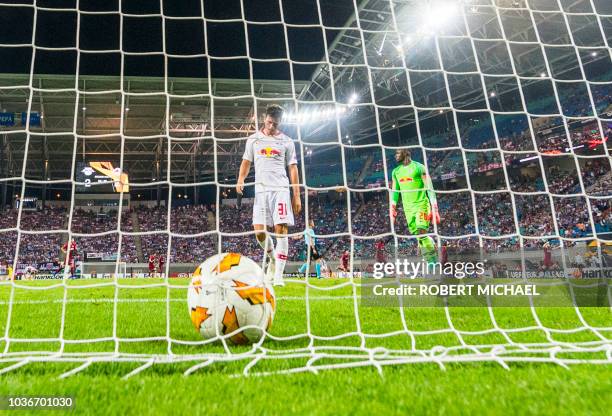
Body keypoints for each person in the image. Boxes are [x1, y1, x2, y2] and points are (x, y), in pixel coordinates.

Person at [236, 104, 301, 286]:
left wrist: (297, 195)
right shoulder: (253, 139)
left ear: (280, 122)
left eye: (276, 124)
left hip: (280, 189)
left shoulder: (287, 141)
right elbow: (246, 162)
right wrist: (241, 179)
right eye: (270, 122)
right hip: (261, 190)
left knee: (281, 230)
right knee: (259, 232)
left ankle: (279, 276)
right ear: (265, 119)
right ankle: (272, 259)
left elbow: (293, 168)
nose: (272, 126)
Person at [390, 149, 439, 264]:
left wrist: (434, 208)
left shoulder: (419, 167)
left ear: (405, 153)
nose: (395, 156)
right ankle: (430, 247)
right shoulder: (395, 172)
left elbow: (430, 188)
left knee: (421, 232)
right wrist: (392, 207)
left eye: (397, 153)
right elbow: (395, 191)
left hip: (421, 204)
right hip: (408, 208)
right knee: (418, 235)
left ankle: (432, 262)